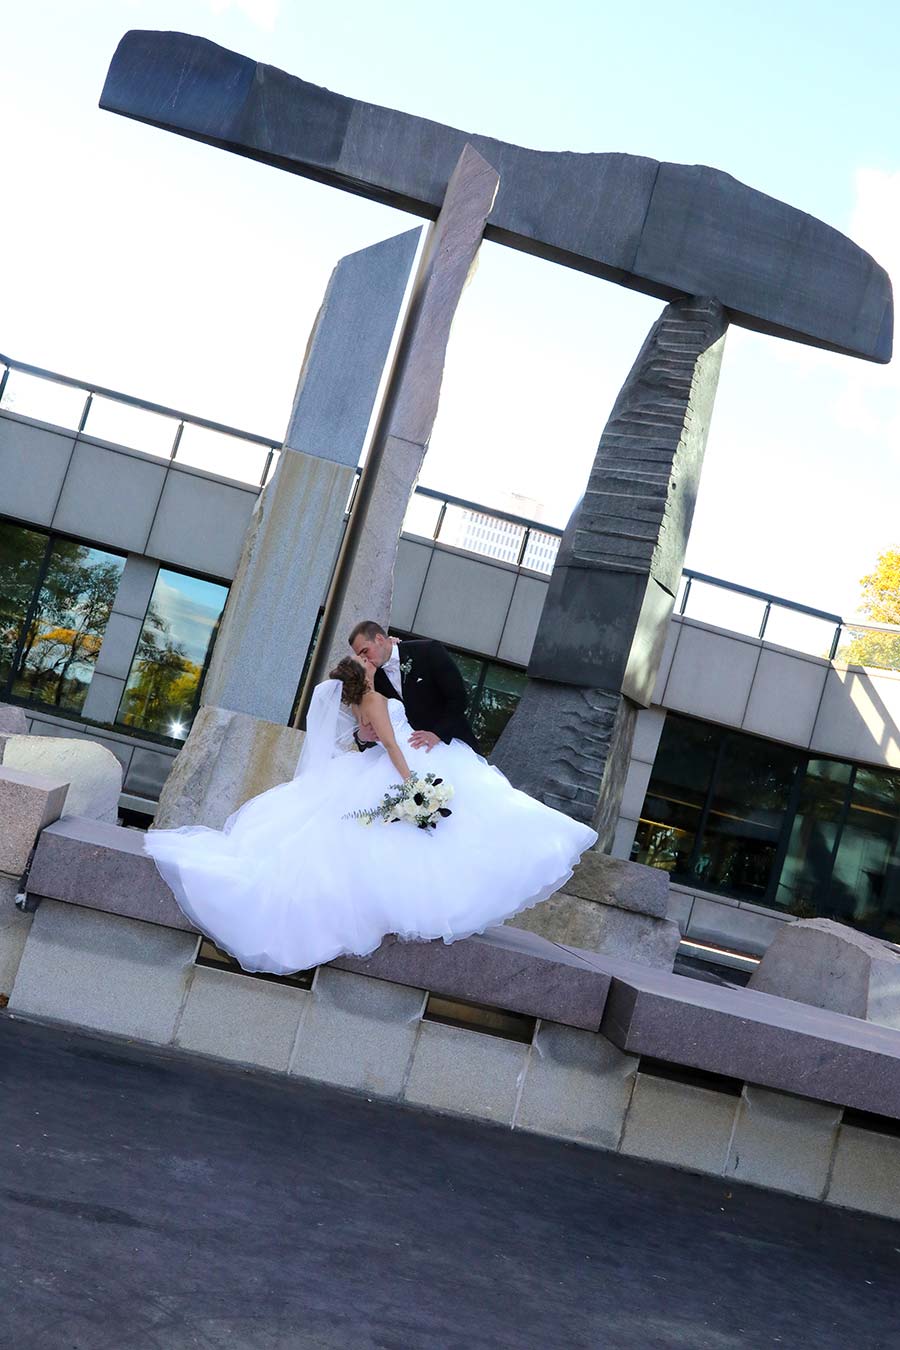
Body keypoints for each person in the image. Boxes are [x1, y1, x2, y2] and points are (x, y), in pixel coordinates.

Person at [143, 656, 597, 976]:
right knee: (461, 824)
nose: (369, 662)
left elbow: (368, 737)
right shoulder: (376, 702)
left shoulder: (363, 704)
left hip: (374, 768)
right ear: (363, 676)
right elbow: (393, 746)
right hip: (398, 769)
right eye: (364, 662)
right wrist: (410, 785)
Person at [349, 620, 480, 753]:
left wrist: (437, 734)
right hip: (406, 756)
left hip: (452, 745)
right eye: (360, 656)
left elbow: (459, 698)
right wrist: (362, 738)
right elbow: (367, 729)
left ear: (379, 639)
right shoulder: (371, 679)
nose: (364, 658)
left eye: (365, 651)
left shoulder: (428, 651)